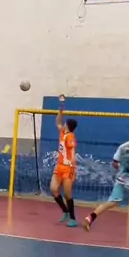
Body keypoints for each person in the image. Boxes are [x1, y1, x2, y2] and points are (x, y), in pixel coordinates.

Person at [84, 123, 129, 242]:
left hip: (121, 179)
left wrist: (122, 168)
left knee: (111, 202)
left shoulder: (123, 146)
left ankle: (91, 217)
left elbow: (114, 163)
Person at [50, 96, 78, 228]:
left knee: (67, 194)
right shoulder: (62, 132)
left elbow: (72, 152)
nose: (63, 123)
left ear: (68, 126)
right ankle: (65, 211)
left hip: (68, 168)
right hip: (59, 166)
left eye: (65, 123)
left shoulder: (70, 136)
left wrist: (74, 168)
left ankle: (73, 218)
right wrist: (61, 110)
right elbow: (57, 122)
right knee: (53, 189)